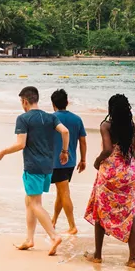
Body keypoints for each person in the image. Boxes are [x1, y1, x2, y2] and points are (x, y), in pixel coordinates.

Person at [0, 86, 69, 256]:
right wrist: (64, 152)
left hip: (33, 166)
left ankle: (53, 236)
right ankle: (29, 239)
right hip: (48, 166)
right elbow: (65, 131)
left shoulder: (23, 118)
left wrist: (3, 152)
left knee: (35, 204)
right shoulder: (51, 117)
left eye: (21, 102)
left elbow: (21, 144)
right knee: (30, 202)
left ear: (25, 101)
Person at [84, 94, 135, 268]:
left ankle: (98, 255)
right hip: (129, 173)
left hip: (110, 173)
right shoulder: (132, 126)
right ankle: (132, 259)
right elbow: (132, 152)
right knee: (130, 214)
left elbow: (108, 149)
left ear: (111, 109)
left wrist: (96, 161)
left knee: (101, 210)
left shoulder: (106, 125)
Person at [49, 89, 88, 235]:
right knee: (61, 192)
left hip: (56, 162)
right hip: (71, 162)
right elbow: (83, 141)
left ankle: (72, 226)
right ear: (67, 102)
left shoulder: (51, 119)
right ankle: (53, 221)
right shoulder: (77, 119)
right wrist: (83, 159)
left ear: (53, 104)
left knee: (64, 192)